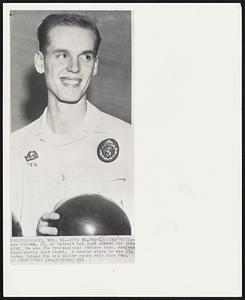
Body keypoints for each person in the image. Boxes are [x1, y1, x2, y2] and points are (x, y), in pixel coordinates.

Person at [11, 13, 134, 237]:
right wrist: (35, 239)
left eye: (85, 57)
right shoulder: (12, 149)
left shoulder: (129, 140)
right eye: (62, 56)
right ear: (40, 62)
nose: (74, 68)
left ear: (95, 66)